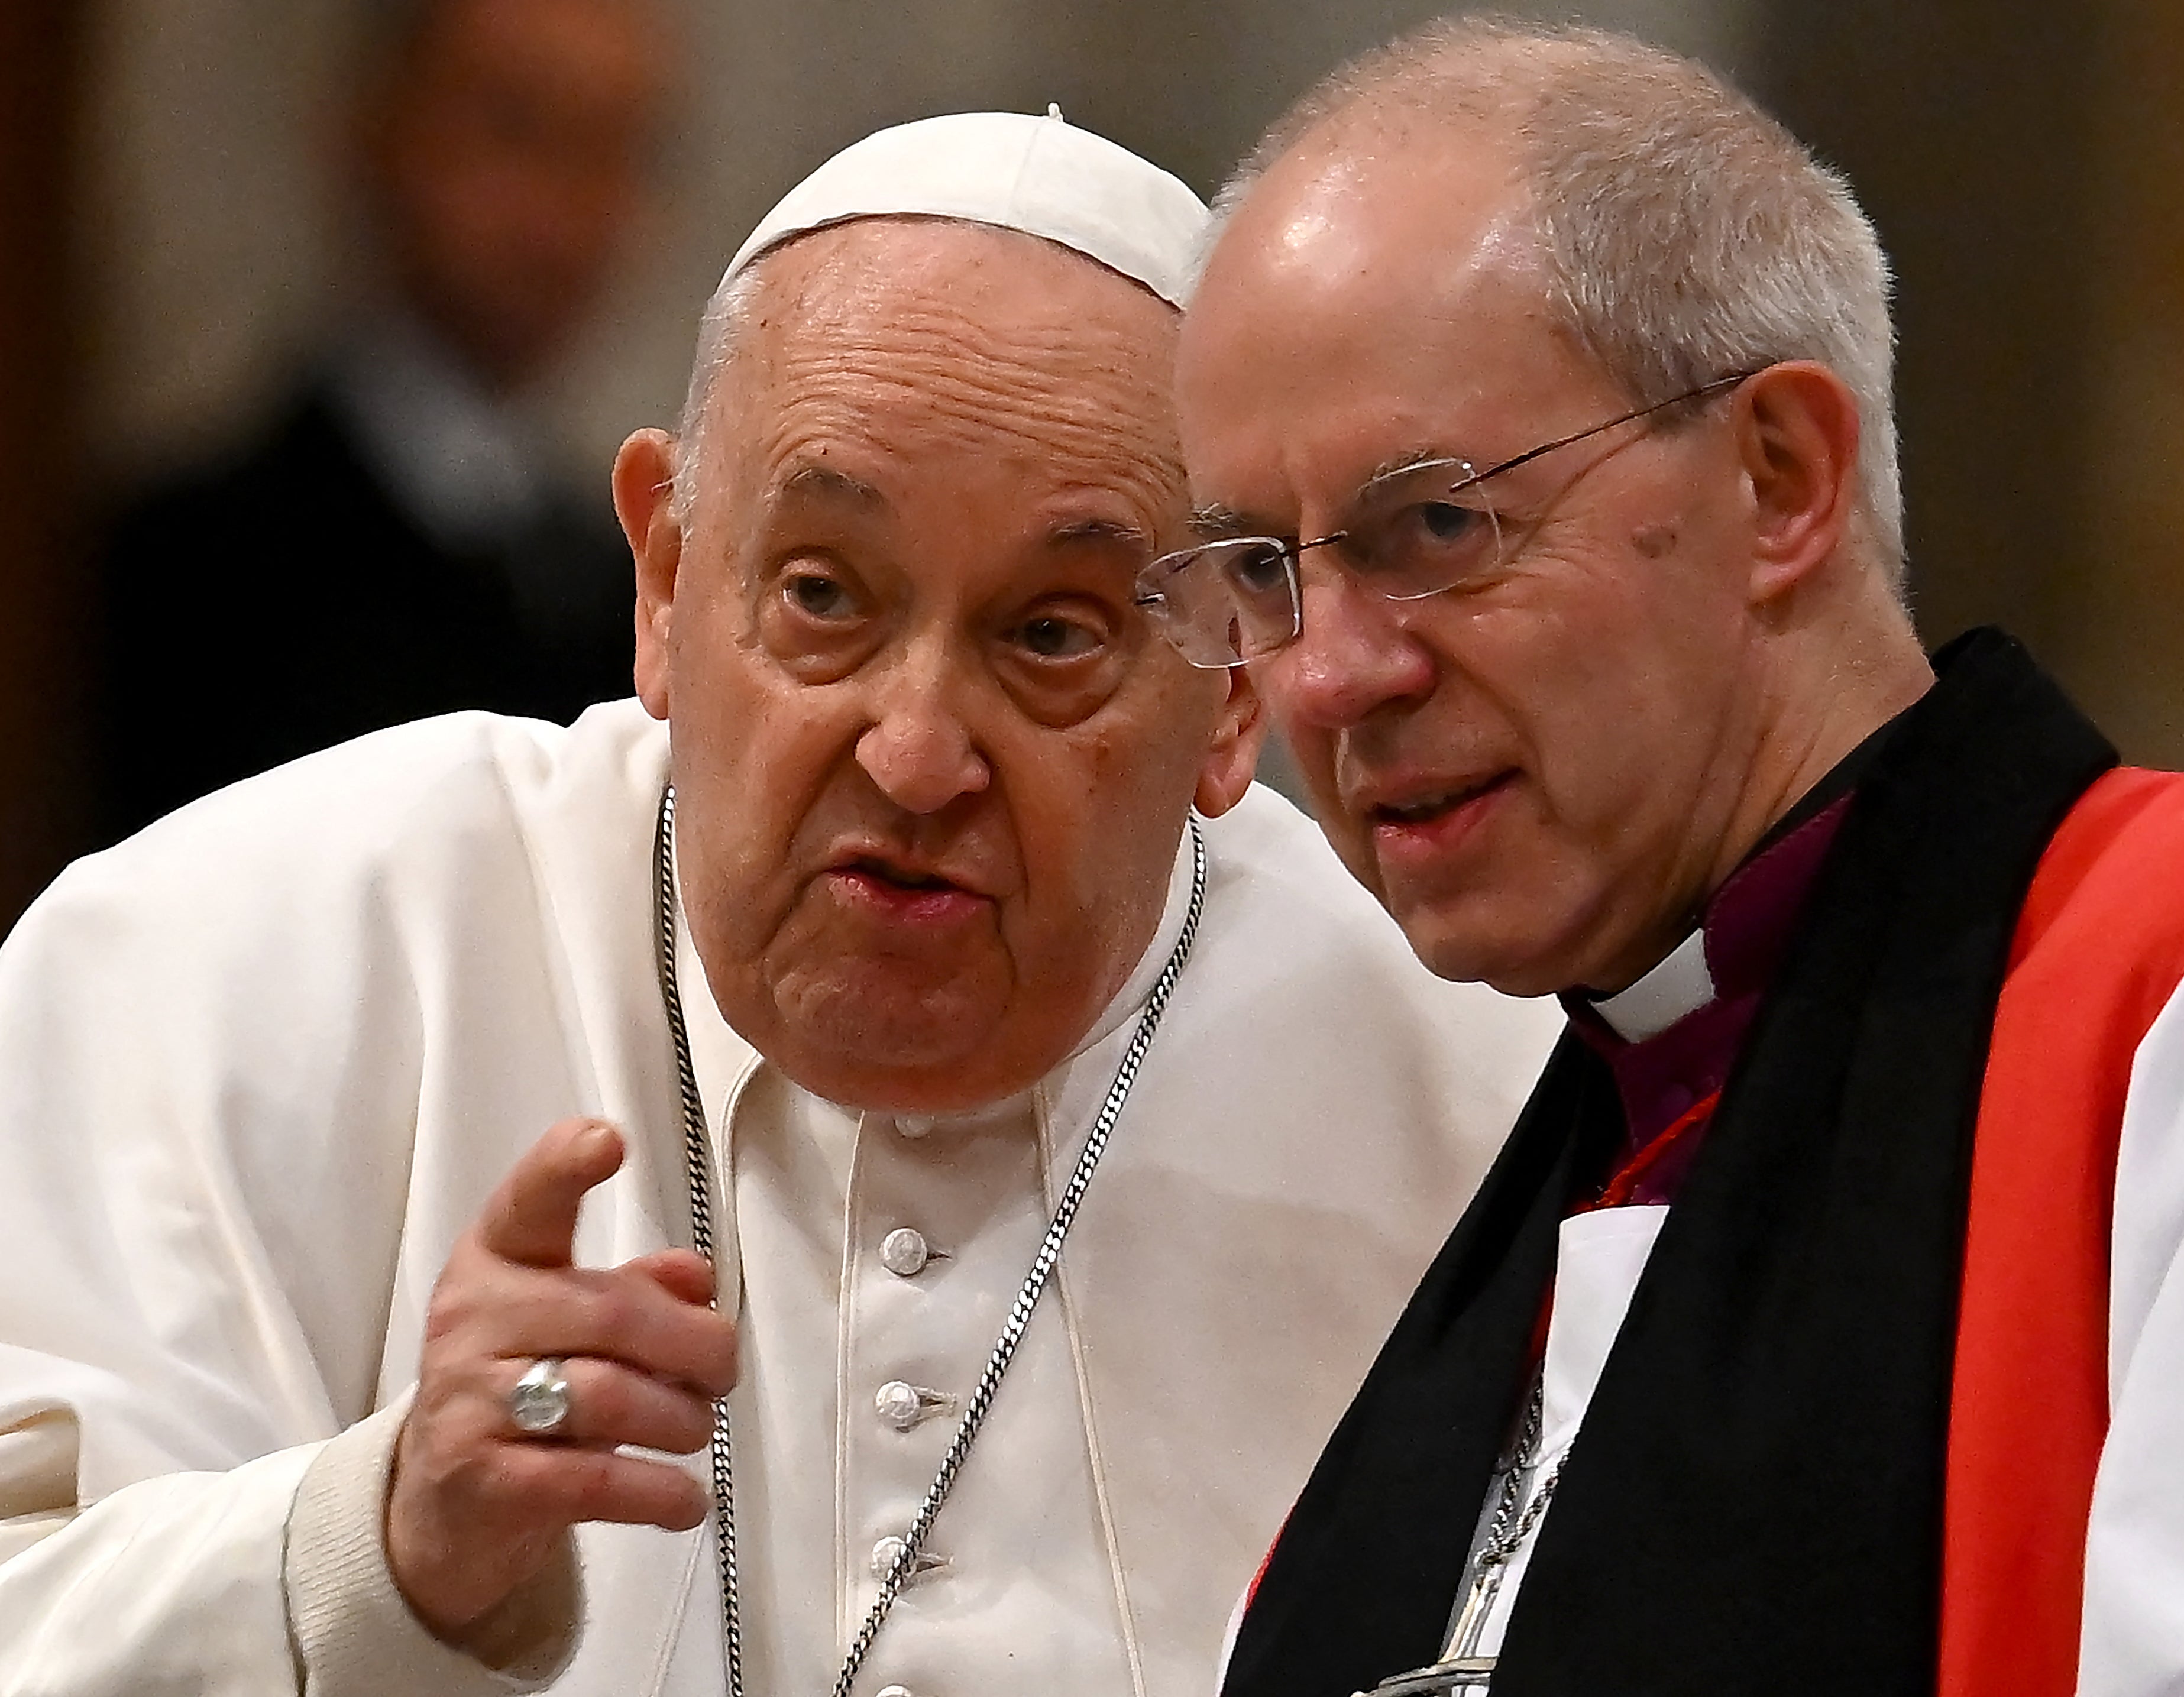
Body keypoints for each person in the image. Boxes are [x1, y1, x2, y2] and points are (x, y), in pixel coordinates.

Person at [0, 113, 1561, 1696]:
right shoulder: (243, 952)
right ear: (666, 577)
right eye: (823, 596)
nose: (915, 748)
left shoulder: (1483, 1097)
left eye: (1052, 631)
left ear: (1234, 691)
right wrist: (378, 1546)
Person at [1154, 20, 2184, 1697]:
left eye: (1434, 524)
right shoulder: (1504, 1160)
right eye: (1264, 569)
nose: (1330, 676)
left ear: (1779, 476)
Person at [93, 0, 674, 841]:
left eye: (617, 148)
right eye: (517, 128)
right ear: (372, 131)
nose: (568, 207)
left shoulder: (609, 577)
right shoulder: (182, 564)